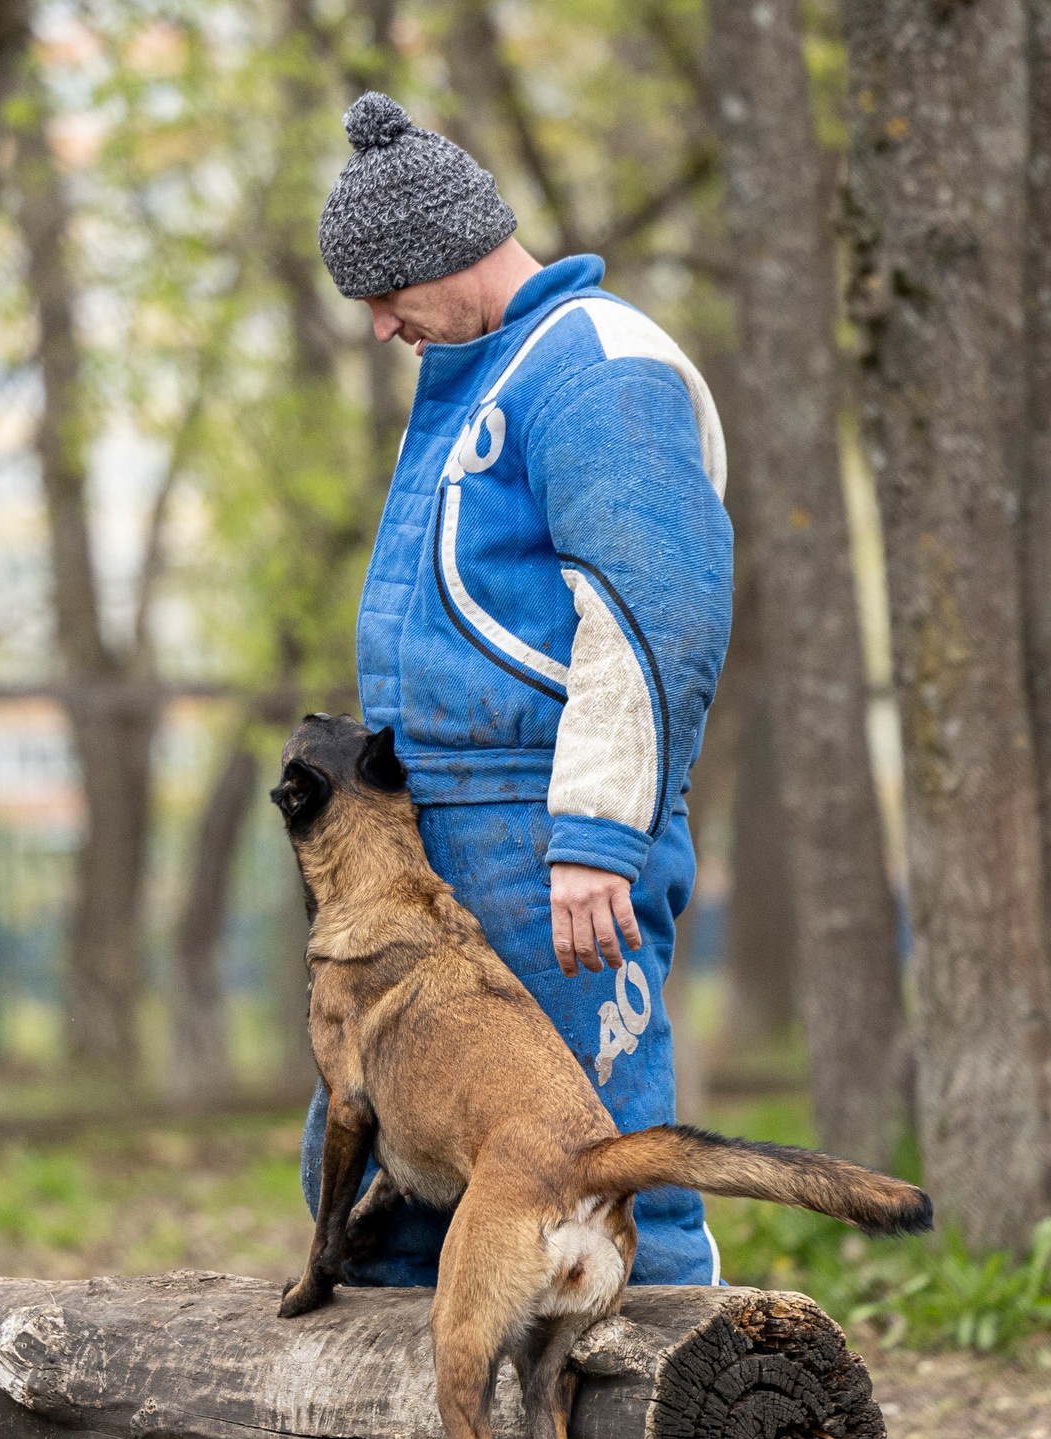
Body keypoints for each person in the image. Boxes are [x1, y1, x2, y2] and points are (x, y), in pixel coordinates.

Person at [298, 91, 734, 1287]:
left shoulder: (598, 365)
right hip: (449, 834)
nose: (380, 326)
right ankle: (393, 1401)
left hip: (549, 834)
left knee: (598, 1162)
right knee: (404, 1192)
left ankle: (669, 1380)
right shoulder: (480, 375)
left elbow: (652, 615)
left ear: (447, 251)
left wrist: (597, 834)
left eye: (387, 293)